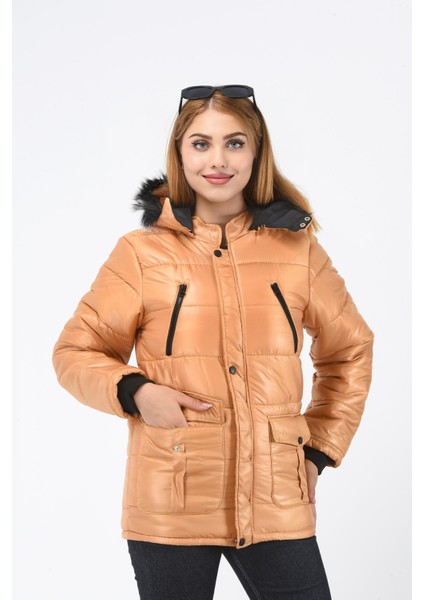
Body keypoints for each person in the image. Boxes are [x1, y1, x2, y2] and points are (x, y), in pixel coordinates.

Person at [52, 84, 374, 600]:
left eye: (235, 143)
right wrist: (136, 391)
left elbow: (350, 350)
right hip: (170, 499)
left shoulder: (298, 251)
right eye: (201, 144)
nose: (218, 160)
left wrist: (318, 449)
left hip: (276, 498)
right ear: (179, 154)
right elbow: (74, 352)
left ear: (257, 152)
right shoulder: (140, 254)